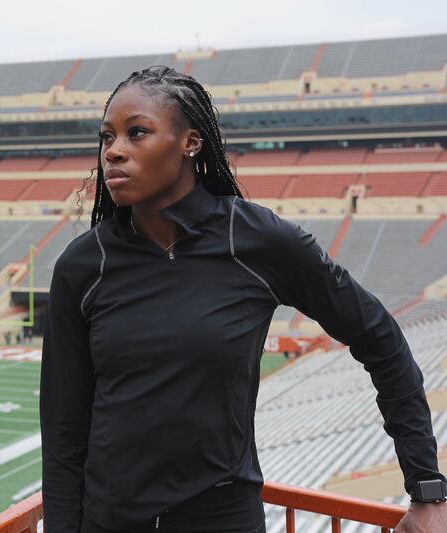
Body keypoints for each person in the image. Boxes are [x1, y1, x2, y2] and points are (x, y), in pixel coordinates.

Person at [39, 66, 447, 533]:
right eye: (107, 137)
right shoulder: (83, 265)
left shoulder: (257, 241)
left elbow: (381, 338)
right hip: (108, 522)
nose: (114, 151)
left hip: (223, 520)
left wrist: (426, 487)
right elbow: (63, 429)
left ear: (191, 142)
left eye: (137, 133)